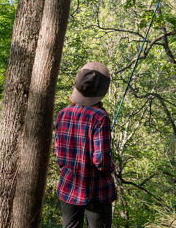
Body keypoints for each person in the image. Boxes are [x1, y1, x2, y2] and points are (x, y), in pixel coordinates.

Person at [55, 62, 116, 228]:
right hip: (96, 191)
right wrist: (111, 167)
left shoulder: (62, 114)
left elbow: (59, 154)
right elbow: (101, 161)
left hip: (68, 185)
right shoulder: (100, 117)